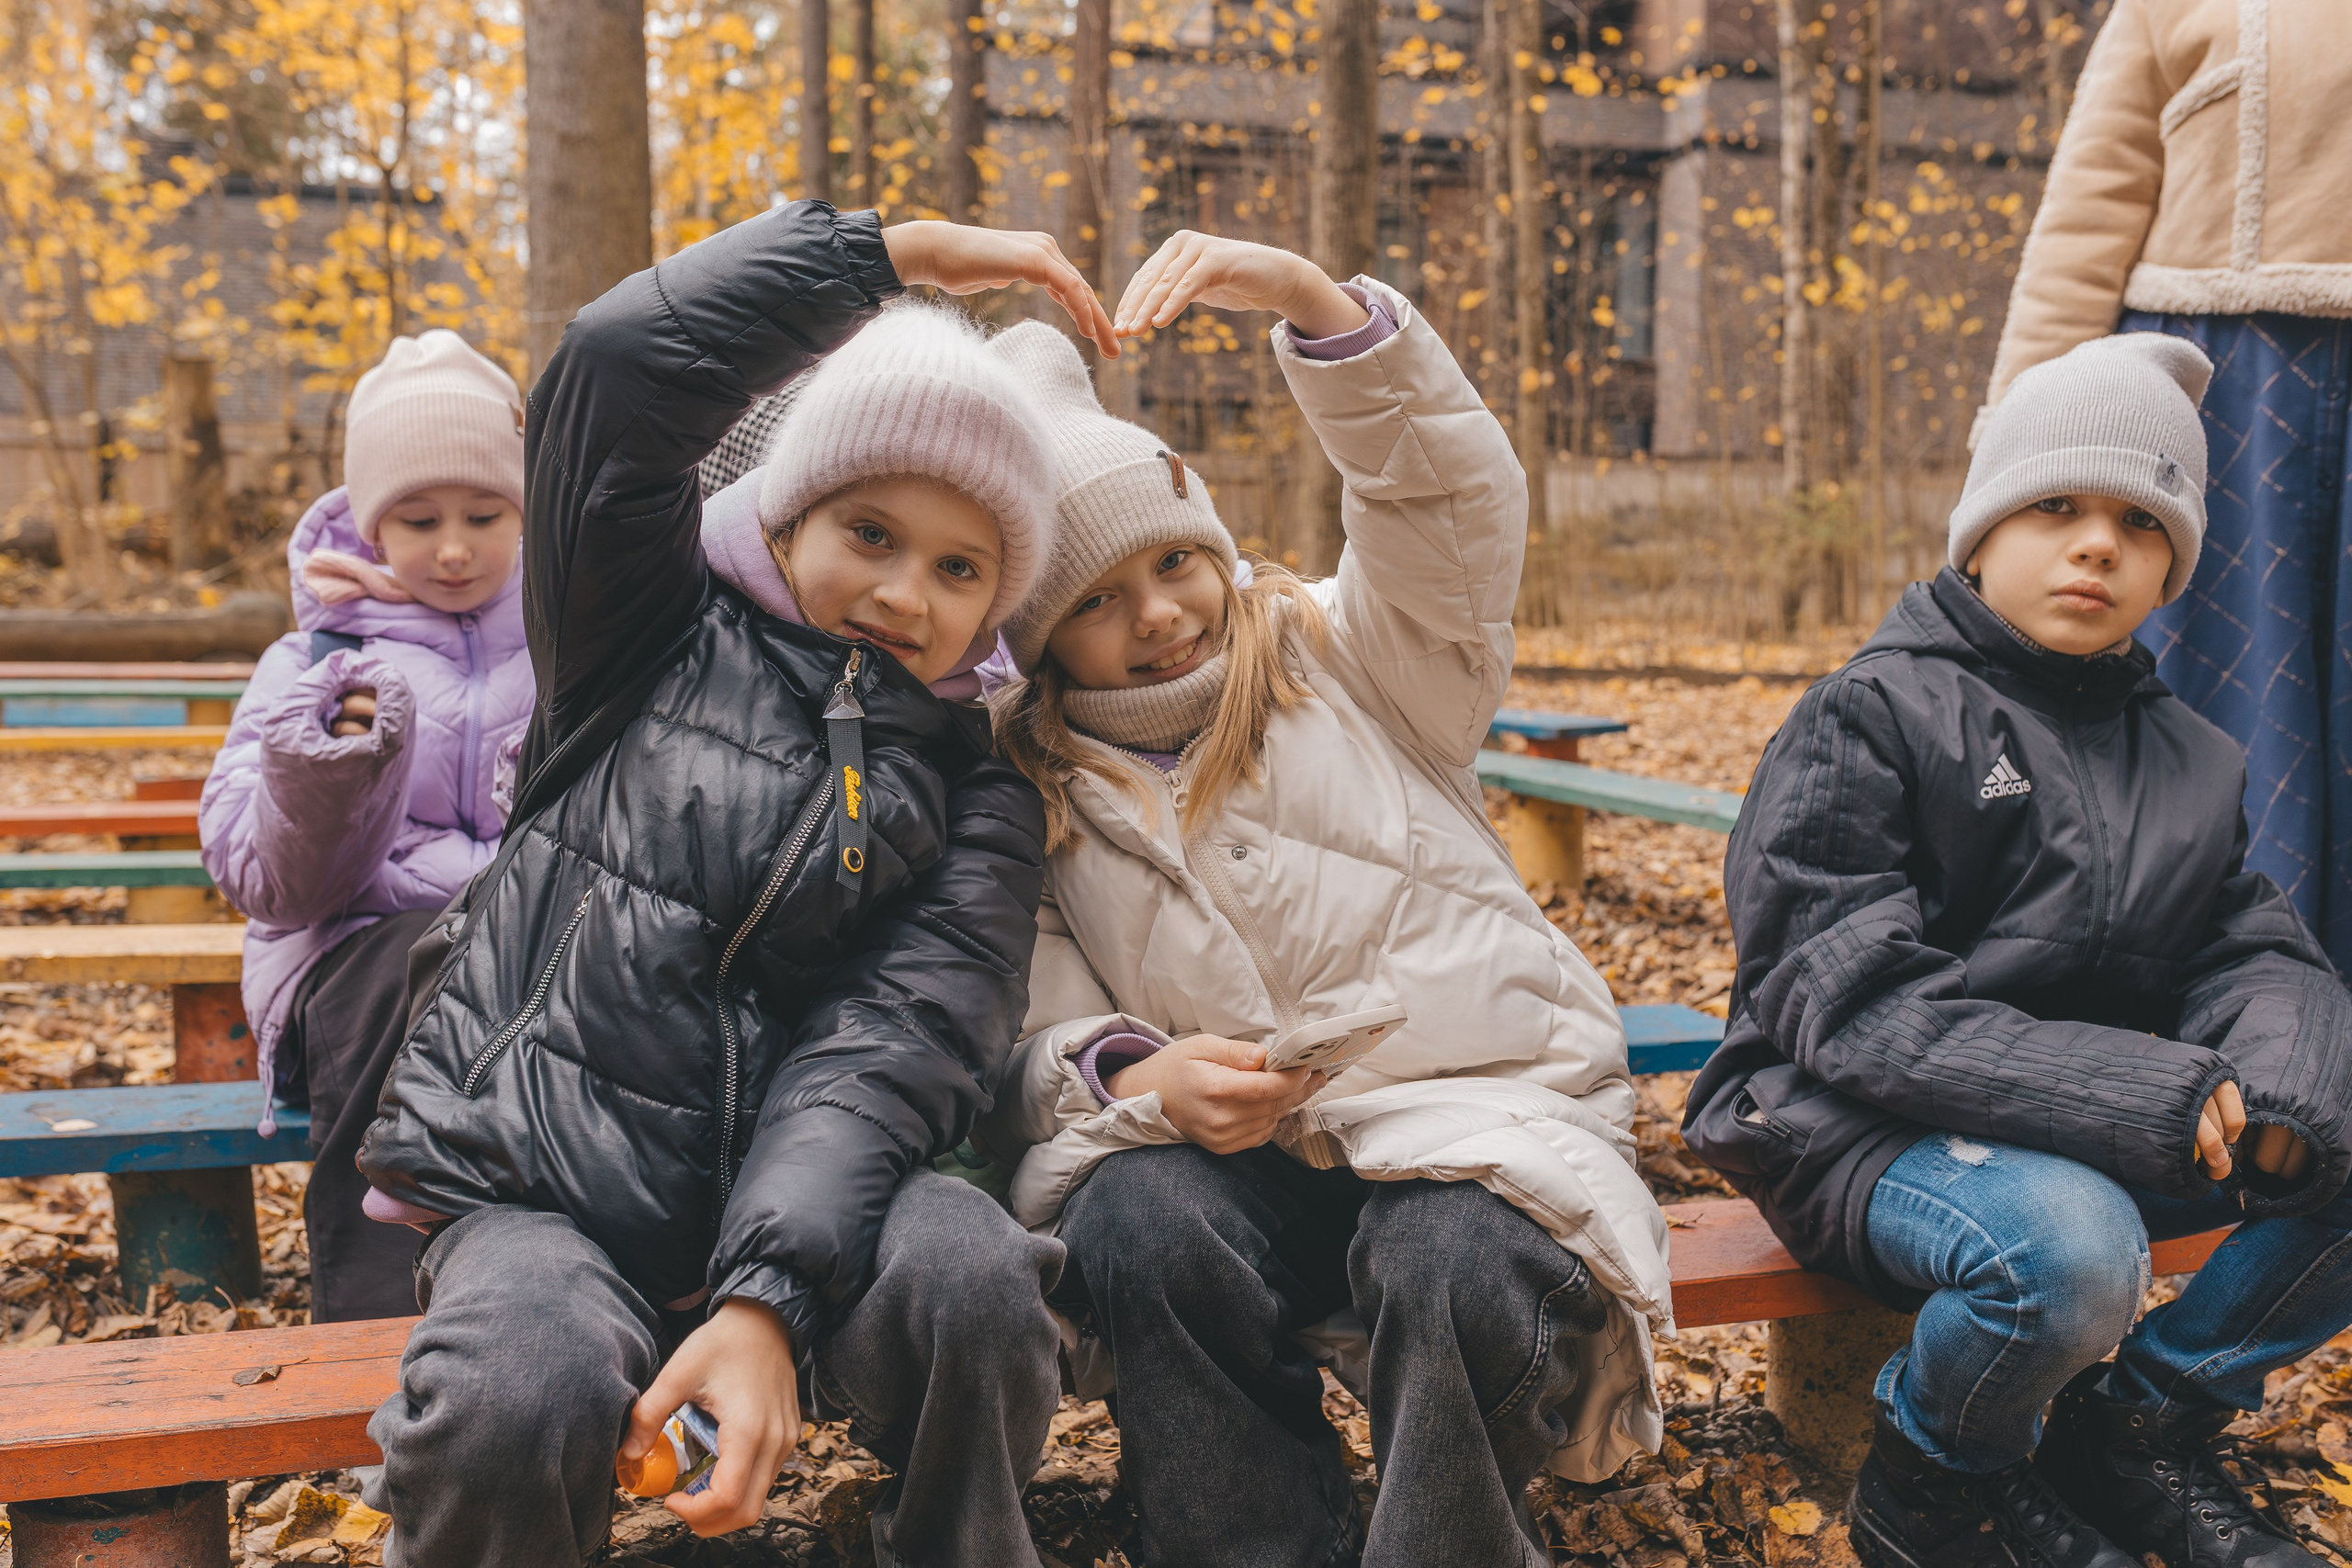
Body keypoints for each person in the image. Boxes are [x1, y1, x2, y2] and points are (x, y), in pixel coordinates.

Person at [353, 205, 1120, 1568]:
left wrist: (765, 1298)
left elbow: (891, 1045)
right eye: (870, 531)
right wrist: (879, 256)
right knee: (508, 1389)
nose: (902, 589)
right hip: (550, 1186)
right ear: (789, 509)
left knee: (980, 1282)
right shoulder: (634, 630)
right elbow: (608, 373)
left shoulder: (981, 788)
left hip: (836, 1206)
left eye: (960, 567)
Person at [973, 231, 1672, 1568]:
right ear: (1042, 634)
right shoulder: (1037, 786)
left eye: (1175, 561)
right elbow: (1028, 1036)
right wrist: (1141, 1071)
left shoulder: (1363, 656)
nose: (1163, 613)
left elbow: (1447, 507)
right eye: (1099, 599)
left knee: (1447, 1255)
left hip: (1475, 1122)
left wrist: (1319, 309)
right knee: (1134, 1216)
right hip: (1248, 1173)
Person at [1686, 333, 2352, 1568]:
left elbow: (2257, 950)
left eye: (2141, 522)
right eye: (2056, 505)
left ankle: (2141, 1426)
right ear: (1983, 532)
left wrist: (2284, 1087)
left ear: (2171, 569)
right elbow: (1849, 1001)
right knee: (2073, 1246)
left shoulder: (2192, 754)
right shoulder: (1873, 713)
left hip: (2080, 1122)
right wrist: (2135, 1087)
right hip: (1846, 1117)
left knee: (2345, 1136)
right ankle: (1938, 1483)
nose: (2098, 542)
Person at [1981, 0, 2352, 971]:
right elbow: (2081, 231)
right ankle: (2222, 1039)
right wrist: (2014, 462)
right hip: (2216, 413)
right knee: (2215, 736)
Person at [199, 330, 535, 1323]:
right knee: (415, 964)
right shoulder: (317, 657)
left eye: (485, 513)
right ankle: (372, 1345)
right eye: (418, 518)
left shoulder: (574, 635)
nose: (454, 546)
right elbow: (263, 881)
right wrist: (333, 772)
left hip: (526, 954)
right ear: (368, 524)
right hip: (357, 970)